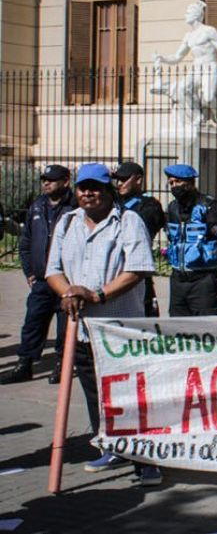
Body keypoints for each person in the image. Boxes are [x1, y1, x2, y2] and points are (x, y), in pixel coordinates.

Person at [43, 163, 161, 486]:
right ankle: (111, 446)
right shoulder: (67, 223)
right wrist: (68, 292)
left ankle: (145, 459)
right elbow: (52, 270)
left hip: (120, 330)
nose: (88, 193)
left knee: (129, 398)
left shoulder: (128, 221)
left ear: (109, 190)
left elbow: (137, 269)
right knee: (96, 397)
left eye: (95, 187)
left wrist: (95, 295)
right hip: (80, 331)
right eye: (83, 188)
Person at [0, 165, 76, 385]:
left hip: (66, 281)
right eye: (44, 179)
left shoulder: (75, 207)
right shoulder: (37, 206)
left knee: (65, 329)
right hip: (42, 280)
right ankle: (25, 364)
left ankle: (62, 365)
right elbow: (25, 243)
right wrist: (30, 272)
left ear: (65, 181)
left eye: (51, 179)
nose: (46, 183)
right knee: (33, 323)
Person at [152, 1, 217, 131]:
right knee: (182, 89)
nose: (185, 15)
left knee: (209, 98)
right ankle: (197, 117)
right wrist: (163, 58)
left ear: (196, 14)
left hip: (209, 67)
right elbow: (177, 57)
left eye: (188, 12)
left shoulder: (209, 31)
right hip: (196, 69)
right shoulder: (188, 36)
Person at [163, 164, 217, 316]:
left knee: (206, 329)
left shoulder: (208, 206)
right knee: (177, 329)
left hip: (203, 280)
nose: (174, 186)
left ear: (190, 183)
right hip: (178, 279)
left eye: (178, 182)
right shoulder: (172, 208)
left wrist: (212, 267)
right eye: (171, 183)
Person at [113, 162, 166, 317]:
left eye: (124, 179)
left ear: (138, 179)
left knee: (145, 320)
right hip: (112, 270)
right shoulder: (111, 202)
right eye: (117, 180)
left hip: (136, 271)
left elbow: (142, 230)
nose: (119, 184)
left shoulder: (149, 205)